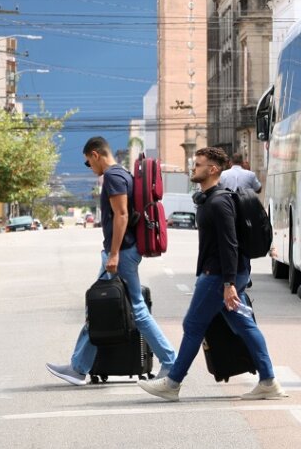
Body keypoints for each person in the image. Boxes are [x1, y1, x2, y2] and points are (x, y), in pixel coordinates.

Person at [138, 147, 286, 402]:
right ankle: (268, 381)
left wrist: (229, 283)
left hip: (218, 275)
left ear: (213, 169)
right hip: (224, 273)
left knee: (193, 325)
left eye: (198, 164)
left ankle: (173, 382)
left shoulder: (219, 202)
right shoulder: (210, 199)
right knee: (243, 324)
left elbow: (230, 244)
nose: (193, 168)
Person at [46, 137, 177, 385]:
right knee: (100, 309)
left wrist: (114, 253)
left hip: (122, 252)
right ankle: (78, 366)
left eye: (88, 162)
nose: (90, 167)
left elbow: (122, 214)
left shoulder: (113, 177)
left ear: (96, 155)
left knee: (128, 310)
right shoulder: (123, 174)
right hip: (122, 251)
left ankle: (171, 362)